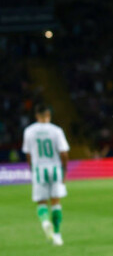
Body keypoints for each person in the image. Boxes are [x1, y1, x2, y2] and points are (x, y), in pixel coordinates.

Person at [22, 103, 70, 246]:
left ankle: (45, 222)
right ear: (48, 115)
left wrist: (31, 168)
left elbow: (28, 154)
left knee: (41, 201)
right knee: (55, 202)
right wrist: (64, 170)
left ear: (37, 116)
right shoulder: (56, 130)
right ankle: (57, 235)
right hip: (55, 169)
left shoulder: (29, 131)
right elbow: (64, 153)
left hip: (39, 169)